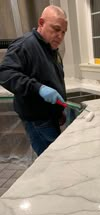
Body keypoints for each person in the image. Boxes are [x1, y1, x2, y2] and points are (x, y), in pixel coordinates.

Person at [0, 5, 68, 156]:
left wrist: (57, 111)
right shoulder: (25, 45)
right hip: (38, 121)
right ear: (41, 22)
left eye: (63, 32)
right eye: (56, 29)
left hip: (49, 117)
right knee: (52, 162)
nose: (60, 36)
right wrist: (39, 88)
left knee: (54, 160)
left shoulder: (50, 49)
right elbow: (5, 73)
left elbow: (49, 78)